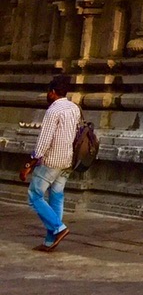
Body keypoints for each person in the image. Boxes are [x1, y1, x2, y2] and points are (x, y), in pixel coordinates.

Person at [19, 74, 81, 252]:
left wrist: (28, 164)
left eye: (48, 92)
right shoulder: (74, 108)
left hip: (51, 161)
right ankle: (49, 240)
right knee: (56, 197)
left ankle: (58, 228)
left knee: (34, 195)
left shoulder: (53, 110)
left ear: (53, 92)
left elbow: (44, 142)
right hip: (67, 160)